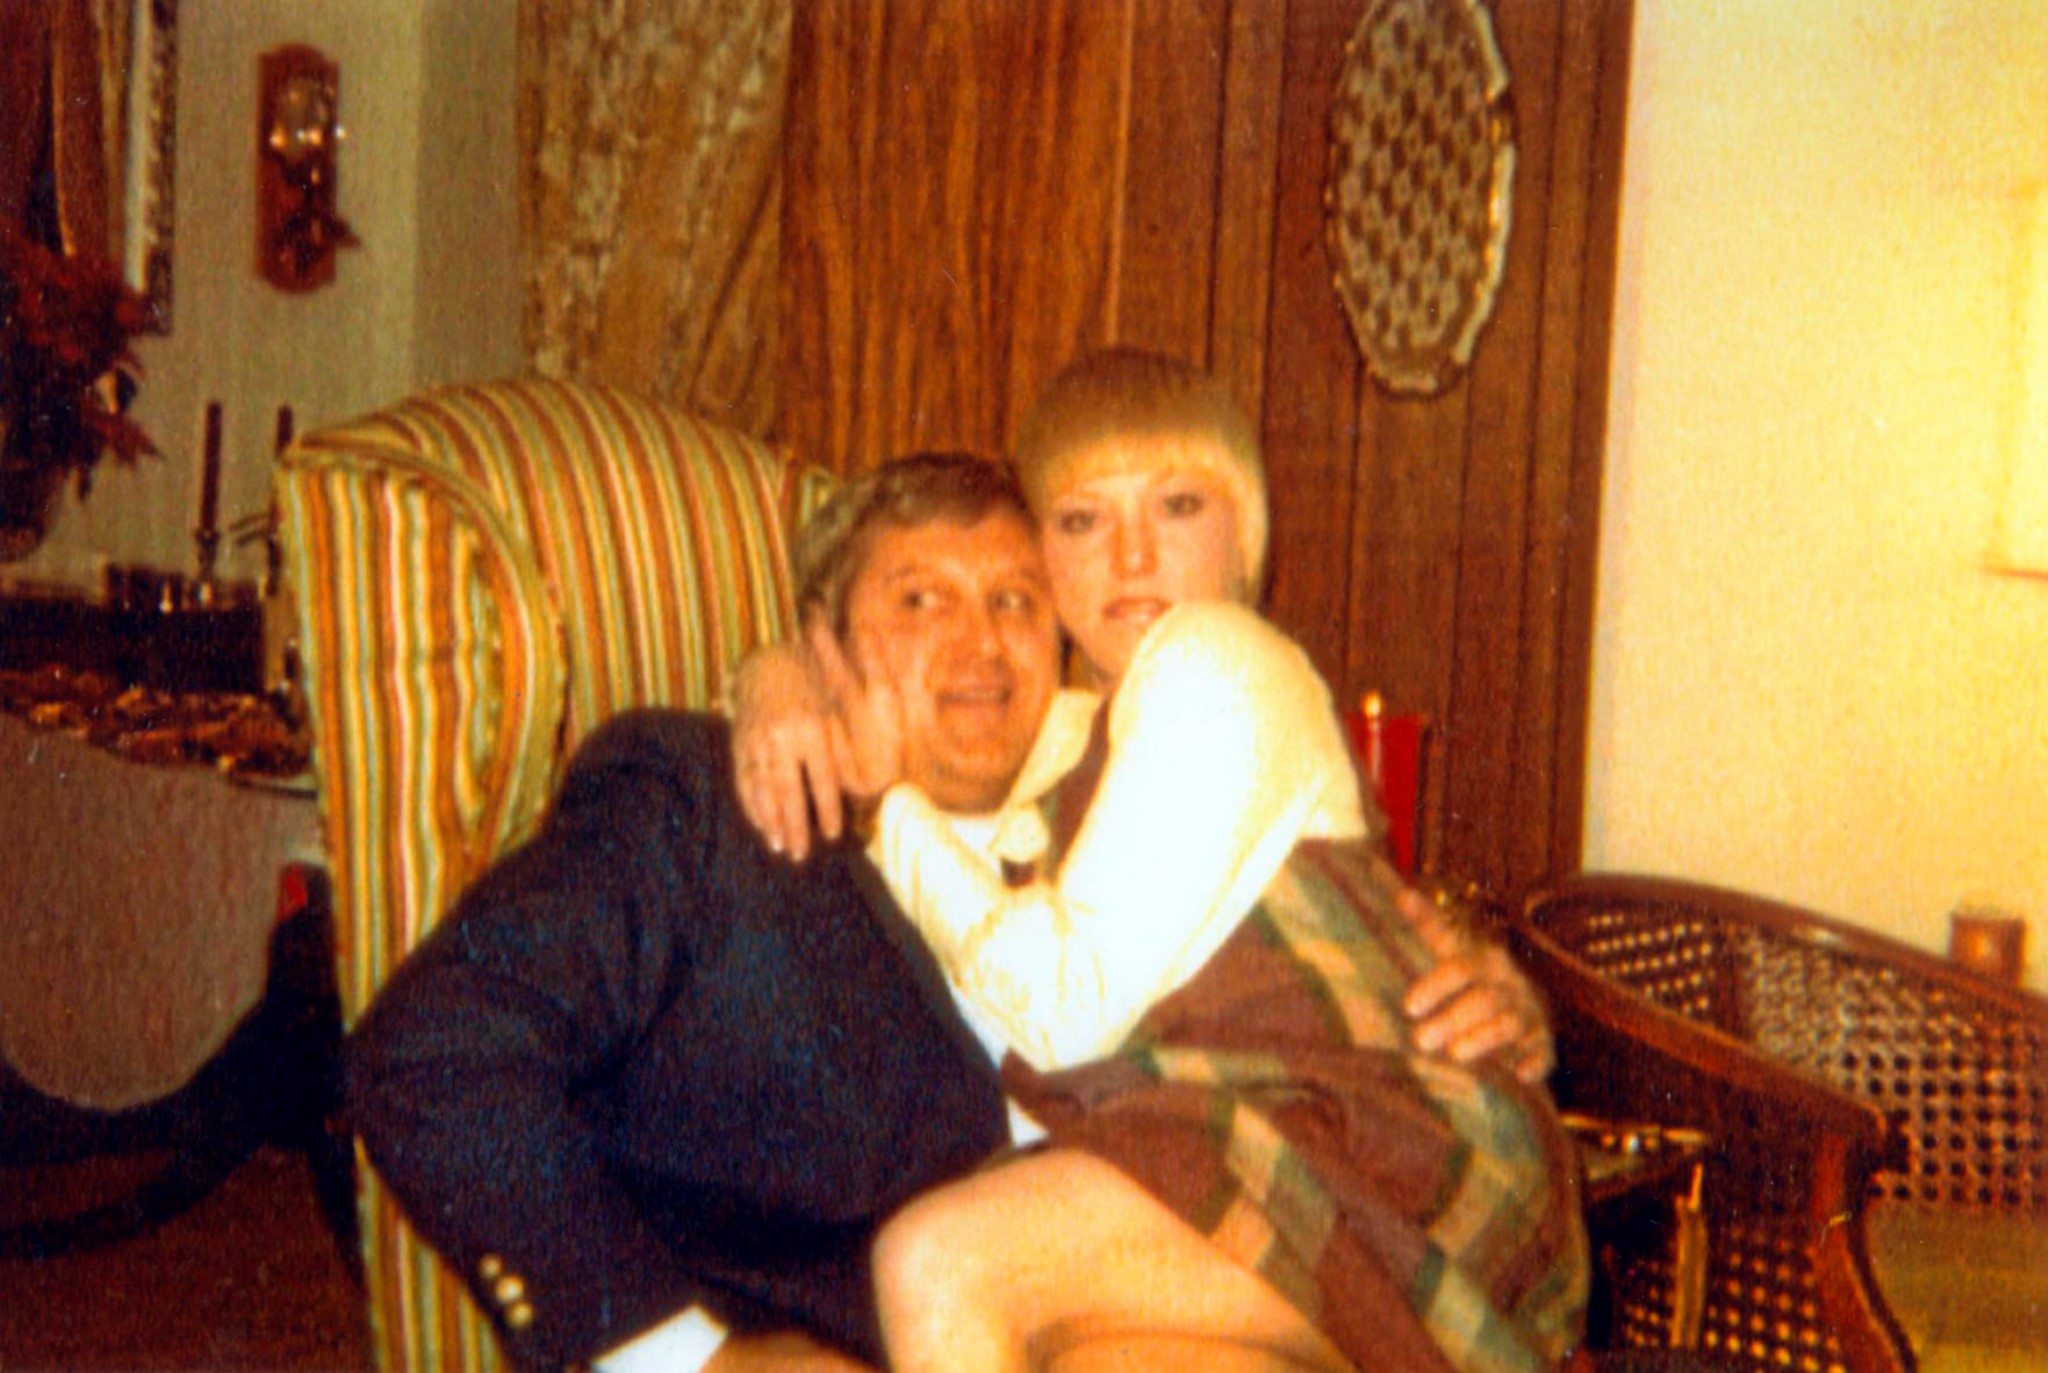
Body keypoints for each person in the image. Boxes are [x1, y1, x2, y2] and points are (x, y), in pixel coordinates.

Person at [742, 350, 1588, 1372]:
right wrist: (778, 675)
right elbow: (929, 764)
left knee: (936, 1261)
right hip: (1255, 1158)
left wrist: (887, 805)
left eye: (1177, 504)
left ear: (1246, 536)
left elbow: (1062, 1015)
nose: (1132, 555)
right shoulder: (1076, 736)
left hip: (1384, 1158)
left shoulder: (1217, 659)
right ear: (1045, 562)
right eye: (1082, 519)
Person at [346, 454, 1071, 1373]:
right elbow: (434, 1047)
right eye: (921, 601)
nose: (982, 643)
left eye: (1015, 600)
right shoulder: (699, 810)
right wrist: (684, 1358)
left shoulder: (1132, 816)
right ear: (823, 645)